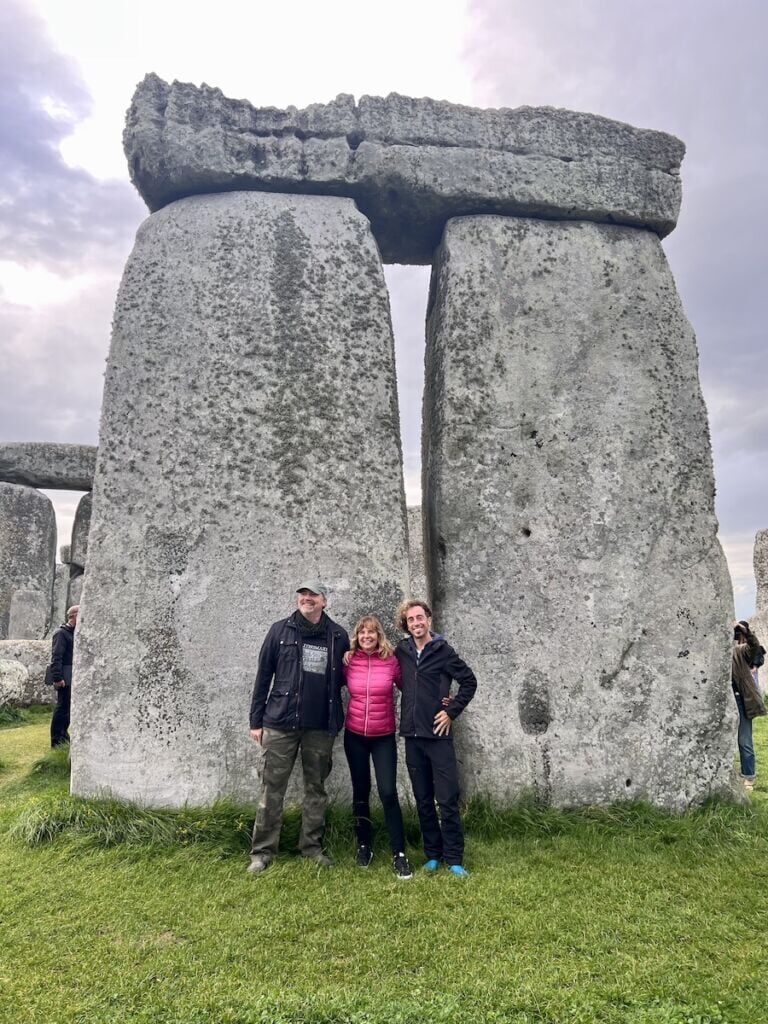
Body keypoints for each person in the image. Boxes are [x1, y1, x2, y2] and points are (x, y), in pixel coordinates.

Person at [247, 582, 349, 874]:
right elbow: (263, 675)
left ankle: (311, 848)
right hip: (279, 723)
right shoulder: (279, 631)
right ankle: (262, 852)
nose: (307, 599)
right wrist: (256, 720)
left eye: (313, 595)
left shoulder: (338, 636)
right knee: (271, 789)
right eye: (303, 595)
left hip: (320, 725)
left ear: (324, 602)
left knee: (316, 789)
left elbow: (346, 677)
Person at [395, 599, 477, 877]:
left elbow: (469, 681)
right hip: (412, 735)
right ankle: (433, 854)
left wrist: (451, 711)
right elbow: (393, 675)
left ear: (428, 619)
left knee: (447, 798)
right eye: (411, 620)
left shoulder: (443, 651)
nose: (416, 623)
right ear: (406, 625)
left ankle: (454, 857)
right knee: (422, 798)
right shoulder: (401, 652)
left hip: (438, 736)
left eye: (420, 618)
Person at [343, 615, 412, 879]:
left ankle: (399, 853)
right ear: (357, 637)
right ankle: (364, 845)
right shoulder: (349, 661)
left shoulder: (391, 661)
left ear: (378, 635)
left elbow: (411, 688)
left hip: (383, 736)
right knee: (361, 791)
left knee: (388, 792)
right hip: (355, 736)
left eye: (371, 632)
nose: (367, 637)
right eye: (362, 633)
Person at [731, 619, 766, 791]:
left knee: (744, 740)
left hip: (740, 699)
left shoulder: (740, 651)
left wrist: (746, 632)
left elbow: (754, 647)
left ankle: (749, 778)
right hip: (724, 700)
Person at [48, 604, 78, 748]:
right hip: (64, 677)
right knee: (62, 708)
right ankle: (56, 740)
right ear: (74, 616)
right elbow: (57, 657)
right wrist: (58, 678)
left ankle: (63, 735)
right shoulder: (61, 633)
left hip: (72, 676)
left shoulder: (73, 633)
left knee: (68, 709)